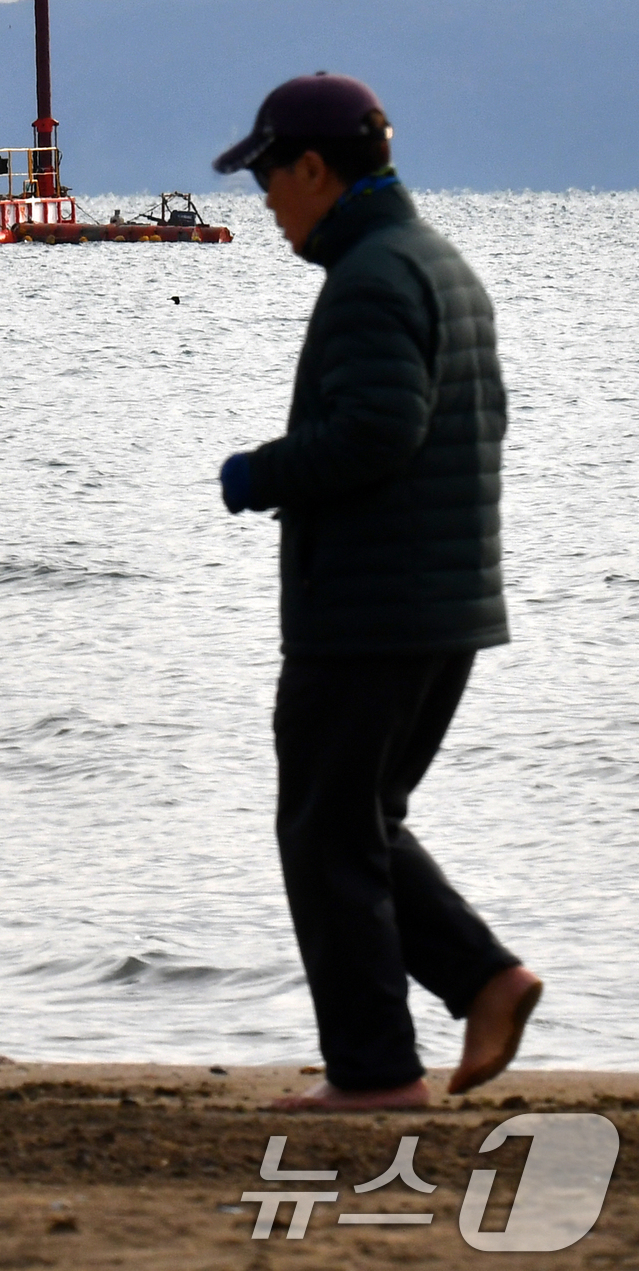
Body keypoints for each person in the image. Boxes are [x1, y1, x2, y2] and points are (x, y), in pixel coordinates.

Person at [214, 73, 541, 1112]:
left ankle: (375, 1074)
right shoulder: (431, 262)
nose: (263, 198)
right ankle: (485, 979)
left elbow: (375, 433)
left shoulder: (367, 278)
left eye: (268, 176)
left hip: (369, 609)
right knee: (354, 820)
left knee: (322, 831)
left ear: (314, 169)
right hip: (440, 604)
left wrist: (257, 474)